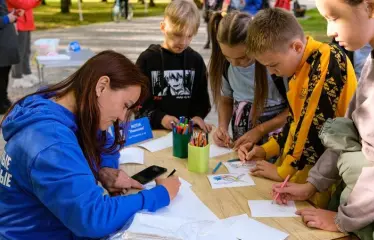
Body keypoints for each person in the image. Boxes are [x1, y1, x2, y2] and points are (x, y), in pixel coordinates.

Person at [272, 0, 374, 238]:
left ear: (371, 7)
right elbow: (347, 131)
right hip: (363, 206)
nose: (329, 32)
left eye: (334, 18)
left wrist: (344, 220)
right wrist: (312, 185)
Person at [0, 51, 181, 239]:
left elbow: (104, 142)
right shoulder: (52, 143)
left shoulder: (58, 104)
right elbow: (94, 219)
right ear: (102, 86)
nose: (121, 117)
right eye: (125, 105)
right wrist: (160, 195)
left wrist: (103, 170)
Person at [238, 8, 357, 208]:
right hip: (309, 173)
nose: (272, 72)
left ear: (296, 46)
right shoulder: (299, 67)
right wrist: (266, 150)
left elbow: (313, 126)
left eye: (273, 65)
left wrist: (283, 171)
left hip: (329, 175)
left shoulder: (328, 59)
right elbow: (295, 122)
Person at [209, 11, 288, 149]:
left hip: (276, 141)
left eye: (242, 57)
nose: (234, 63)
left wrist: (260, 130)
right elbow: (226, 99)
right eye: (227, 56)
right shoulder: (226, 66)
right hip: (242, 138)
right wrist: (222, 126)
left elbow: (294, 110)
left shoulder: (274, 66)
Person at [136, 0, 212, 132]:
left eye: (189, 36)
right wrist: (160, 118)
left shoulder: (196, 61)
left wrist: (197, 116)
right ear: (163, 27)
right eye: (177, 35)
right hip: (154, 132)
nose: (183, 42)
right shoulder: (147, 60)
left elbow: (202, 99)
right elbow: (138, 102)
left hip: (187, 132)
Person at [7, 0, 41, 88]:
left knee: (26, 50)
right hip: (17, 22)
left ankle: (26, 72)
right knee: (19, 51)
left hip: (27, 22)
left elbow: (31, 4)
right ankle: (17, 78)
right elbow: (22, 3)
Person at [0, 0, 20, 114]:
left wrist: (13, 15)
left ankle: (4, 100)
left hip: (5, 45)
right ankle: (1, 104)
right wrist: (7, 18)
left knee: (4, 74)